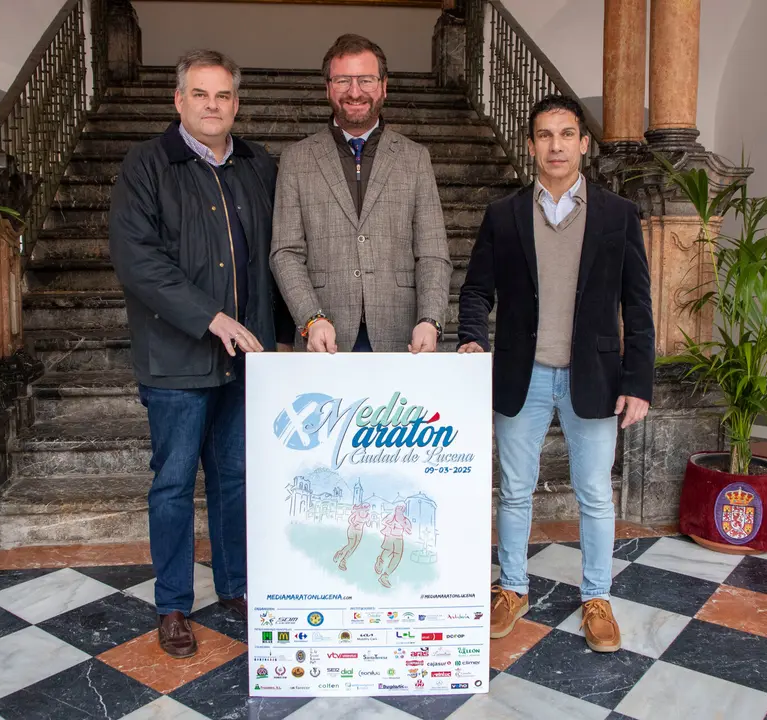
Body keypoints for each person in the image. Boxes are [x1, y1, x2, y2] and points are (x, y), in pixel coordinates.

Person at [108, 49, 294, 659]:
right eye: (200, 94)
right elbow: (139, 261)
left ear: (235, 104)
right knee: (173, 484)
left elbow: (277, 258)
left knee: (237, 477)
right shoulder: (148, 165)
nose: (212, 106)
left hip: (248, 361)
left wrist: (284, 331)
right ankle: (173, 606)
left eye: (223, 96)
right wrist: (210, 318)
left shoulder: (259, 165)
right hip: (176, 360)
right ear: (178, 101)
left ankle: (237, 587)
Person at [457, 95, 655, 652]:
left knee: (594, 493)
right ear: (531, 145)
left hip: (593, 376)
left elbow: (637, 305)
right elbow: (476, 291)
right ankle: (512, 588)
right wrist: (473, 337)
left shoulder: (618, 214)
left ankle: (597, 597)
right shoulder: (505, 214)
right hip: (523, 374)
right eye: (545, 135)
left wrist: (639, 381)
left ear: (583, 144)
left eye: (567, 134)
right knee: (515, 491)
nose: (556, 146)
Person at [270, 33, 452, 353]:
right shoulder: (296, 160)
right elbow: (285, 254)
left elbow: (433, 253)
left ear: (384, 85)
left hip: (402, 337)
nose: (355, 92)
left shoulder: (415, 158)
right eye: (342, 80)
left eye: (366, 80)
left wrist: (431, 319)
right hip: (323, 338)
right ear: (328, 87)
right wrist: (311, 318)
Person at [375, 503, 413, 587]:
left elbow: (409, 530)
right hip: (390, 537)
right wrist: (391, 524)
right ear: (395, 508)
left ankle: (385, 576)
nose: (399, 509)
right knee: (387, 551)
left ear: (403, 509)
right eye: (398, 507)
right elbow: (384, 521)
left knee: (397, 557)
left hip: (399, 538)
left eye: (401, 508)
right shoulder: (391, 516)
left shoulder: (405, 520)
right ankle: (380, 561)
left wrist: (403, 525)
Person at [334, 502, 371, 570]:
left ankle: (343, 561)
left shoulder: (368, 515)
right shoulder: (357, 512)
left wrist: (368, 521)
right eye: (365, 507)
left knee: (354, 547)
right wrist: (354, 524)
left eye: (367, 507)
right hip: (352, 529)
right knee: (351, 545)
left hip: (359, 532)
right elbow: (350, 519)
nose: (366, 509)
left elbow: (368, 524)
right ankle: (340, 553)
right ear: (362, 507)